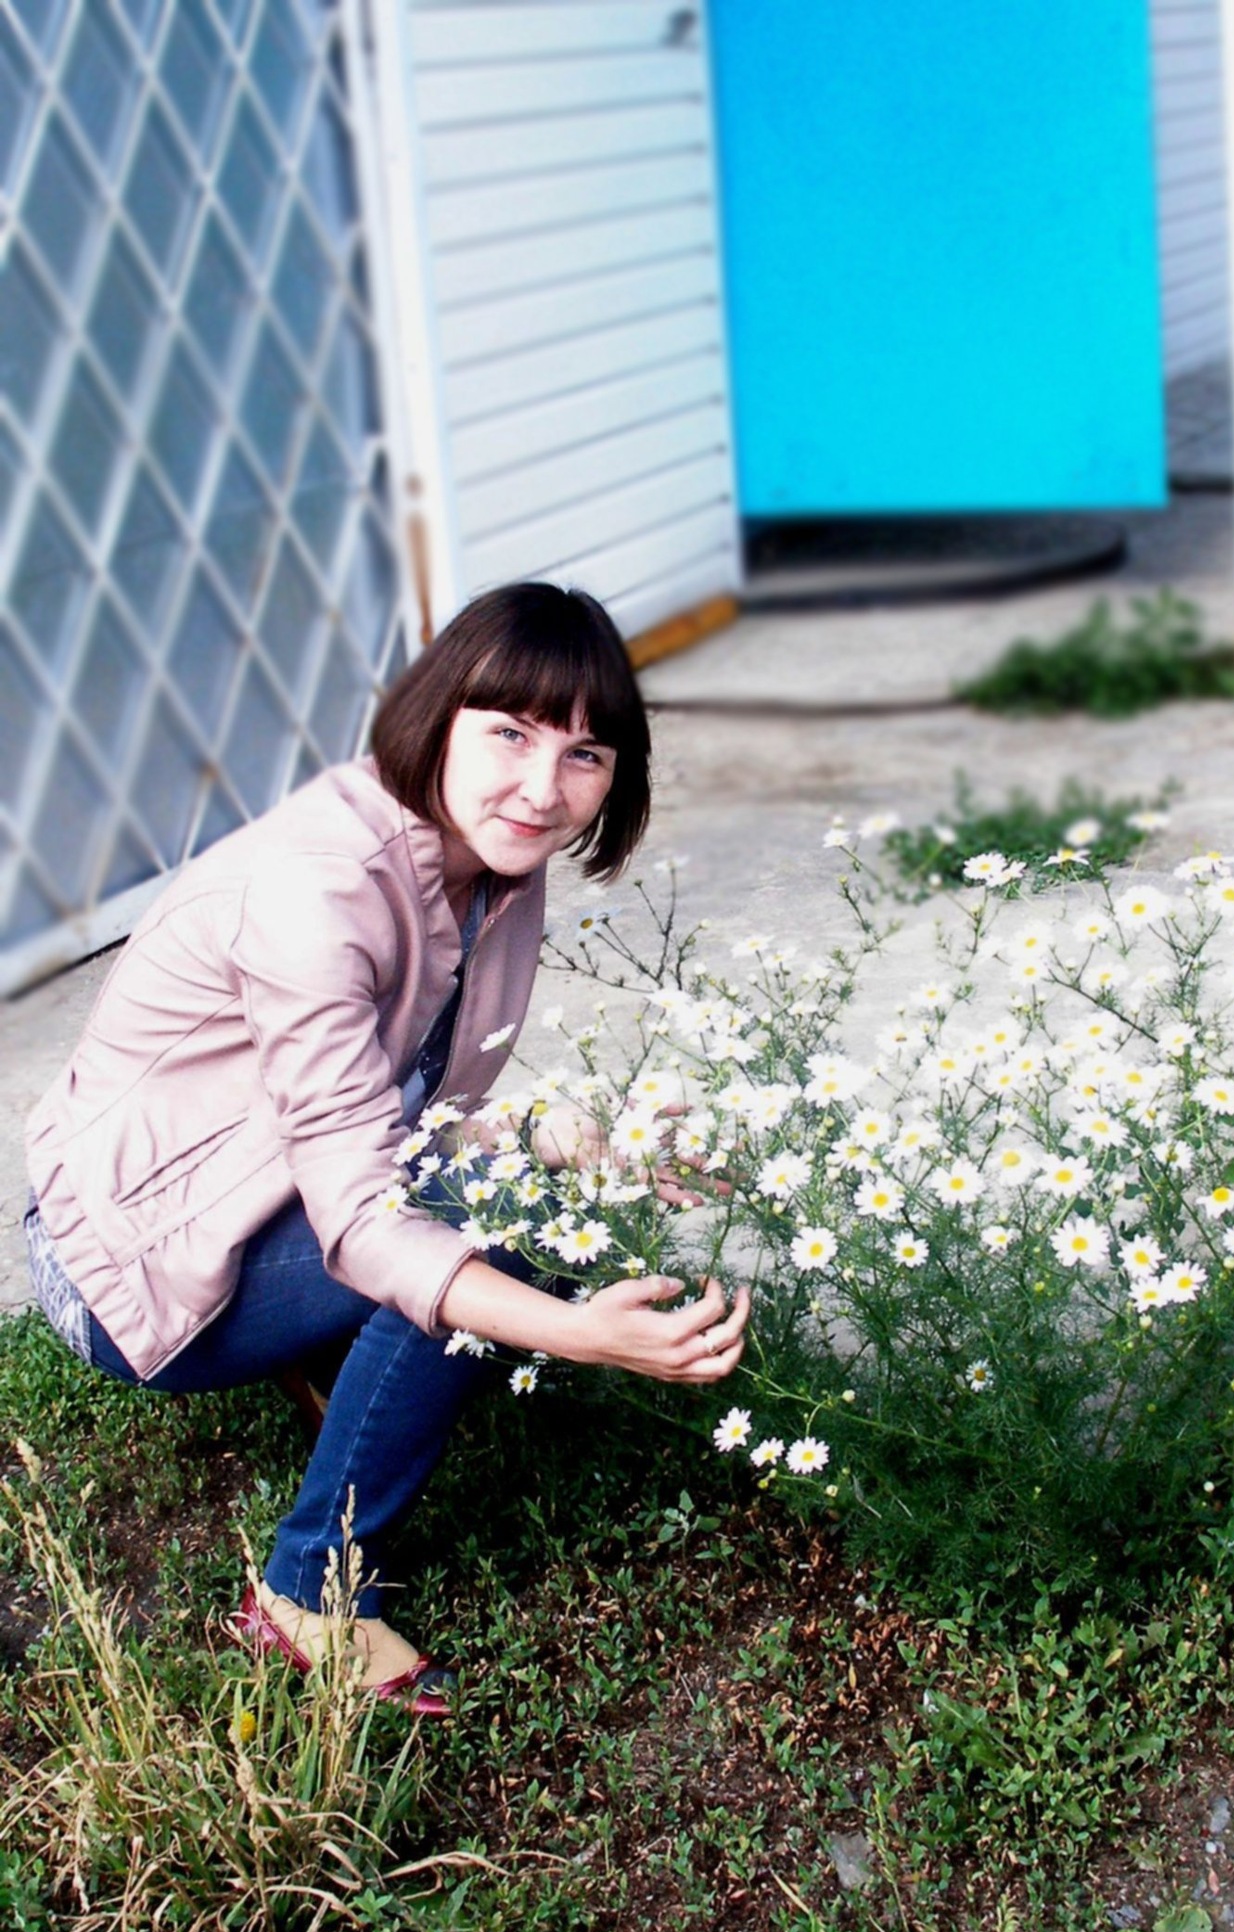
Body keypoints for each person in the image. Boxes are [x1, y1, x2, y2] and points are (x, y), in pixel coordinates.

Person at [24, 582, 749, 1717]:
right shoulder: (317, 891)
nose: (543, 787)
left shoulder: (489, 859)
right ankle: (307, 1595)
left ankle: (345, 1353)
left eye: (585, 753)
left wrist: (563, 1137)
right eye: (511, 733)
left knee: (510, 1196)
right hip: (123, 1268)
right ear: (438, 717)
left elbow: (395, 1102)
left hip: (256, 1195)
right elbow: (369, 1213)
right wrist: (582, 1335)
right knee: (489, 1228)